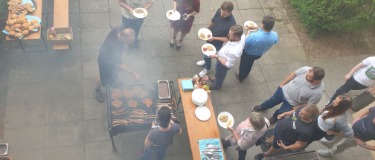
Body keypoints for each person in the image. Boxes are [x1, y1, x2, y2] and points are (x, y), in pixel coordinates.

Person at [252, 66, 325, 124]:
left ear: (316, 81)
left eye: (309, 78)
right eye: (307, 73)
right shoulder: (306, 70)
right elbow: (294, 74)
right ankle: (262, 107)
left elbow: (309, 105)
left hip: (292, 103)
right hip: (283, 91)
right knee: (272, 100)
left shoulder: (318, 92)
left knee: (281, 112)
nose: (306, 76)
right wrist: (283, 83)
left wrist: (298, 108)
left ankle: (273, 119)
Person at [254, 104, 319, 160]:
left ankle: (265, 154)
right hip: (279, 128)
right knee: (274, 135)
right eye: (301, 111)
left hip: (283, 139)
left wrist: (286, 147)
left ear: (311, 118)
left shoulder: (306, 131)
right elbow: (294, 111)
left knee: (275, 147)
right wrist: (284, 114)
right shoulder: (302, 109)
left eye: (303, 114)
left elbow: (301, 144)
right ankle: (267, 141)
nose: (299, 113)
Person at [94, 26, 140, 103]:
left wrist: (125, 45)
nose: (129, 44)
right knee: (102, 76)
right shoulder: (112, 47)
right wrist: (134, 73)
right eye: (128, 42)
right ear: (123, 39)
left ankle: (115, 79)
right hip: (104, 60)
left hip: (111, 57)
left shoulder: (119, 29)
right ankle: (97, 90)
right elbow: (119, 65)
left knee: (114, 72)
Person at [196, 1, 236, 77]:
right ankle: (205, 61)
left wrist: (214, 38)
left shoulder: (232, 23)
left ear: (229, 12)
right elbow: (213, 21)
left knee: (207, 55)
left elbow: (228, 39)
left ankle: (207, 69)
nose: (221, 15)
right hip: (210, 36)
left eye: (224, 14)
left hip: (217, 43)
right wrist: (207, 29)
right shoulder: (219, 10)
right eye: (221, 12)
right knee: (206, 53)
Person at [236, 15, 278, 82]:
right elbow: (275, 41)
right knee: (250, 63)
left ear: (262, 25)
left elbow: (244, 44)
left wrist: (248, 34)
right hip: (259, 54)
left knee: (244, 64)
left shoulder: (253, 36)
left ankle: (241, 76)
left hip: (248, 53)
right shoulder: (275, 35)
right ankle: (247, 73)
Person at [207, 25, 245, 90]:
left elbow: (228, 65)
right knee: (217, 71)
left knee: (220, 74)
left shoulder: (234, 52)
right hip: (222, 58)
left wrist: (217, 56)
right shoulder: (242, 36)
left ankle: (217, 85)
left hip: (223, 65)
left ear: (236, 37)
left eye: (230, 35)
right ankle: (216, 78)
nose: (228, 35)